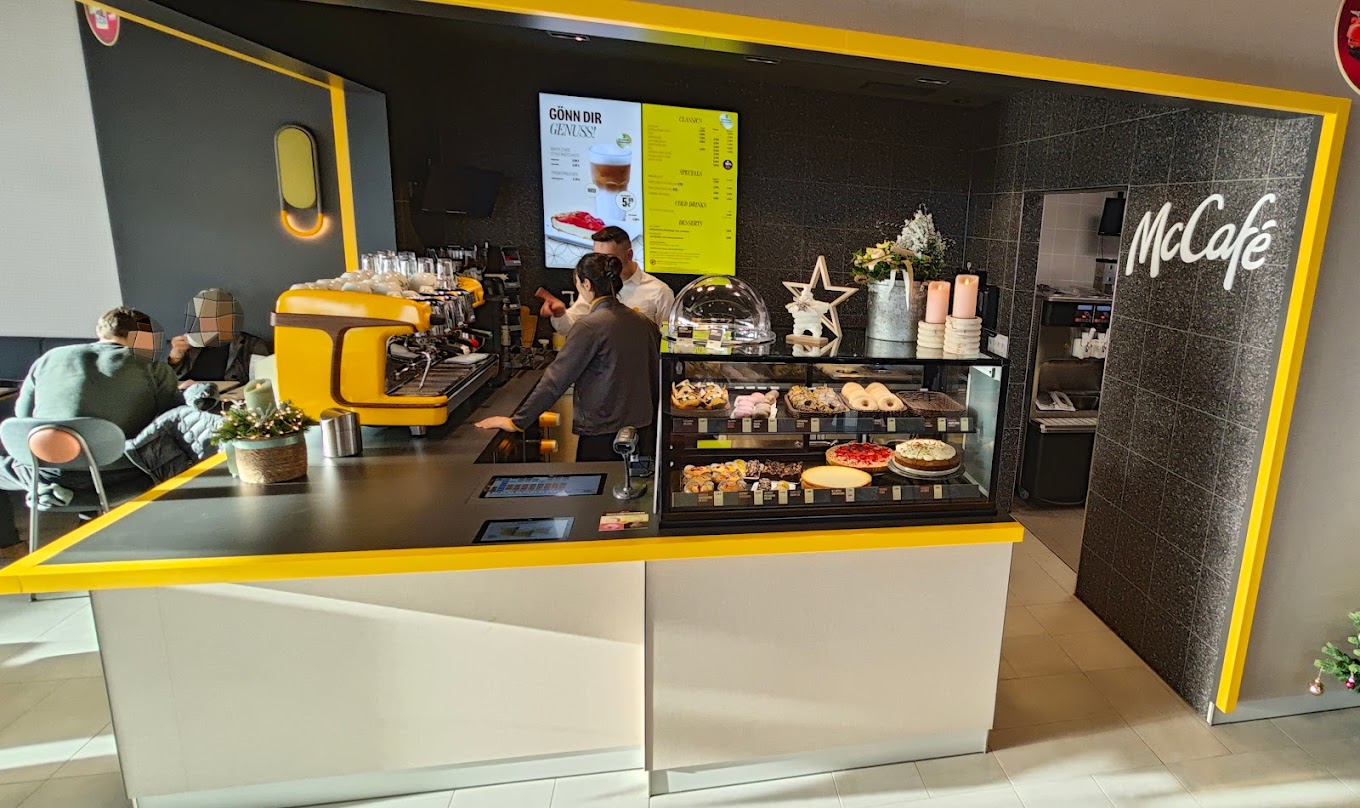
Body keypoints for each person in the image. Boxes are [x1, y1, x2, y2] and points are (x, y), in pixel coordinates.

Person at [0, 308, 182, 548]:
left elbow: (22, 417)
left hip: (46, 474)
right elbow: (174, 419)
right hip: (123, 476)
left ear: (99, 330)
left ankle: (15, 541)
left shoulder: (48, 359)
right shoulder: (152, 366)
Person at [477, 253, 660, 462]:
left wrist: (518, 421)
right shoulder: (643, 322)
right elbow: (656, 374)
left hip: (603, 434)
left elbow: (556, 379)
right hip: (643, 430)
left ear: (587, 284)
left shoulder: (589, 326)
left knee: (598, 482)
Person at [540, 227, 675, 333]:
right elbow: (571, 327)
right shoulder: (594, 285)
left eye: (608, 258)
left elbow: (669, 338)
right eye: (596, 257)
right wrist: (560, 314)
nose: (599, 264)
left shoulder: (659, 291)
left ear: (629, 255)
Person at [168, 288, 271, 384]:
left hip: (227, 396)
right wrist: (174, 359)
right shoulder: (187, 345)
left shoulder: (253, 346)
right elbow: (166, 382)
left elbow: (263, 384)